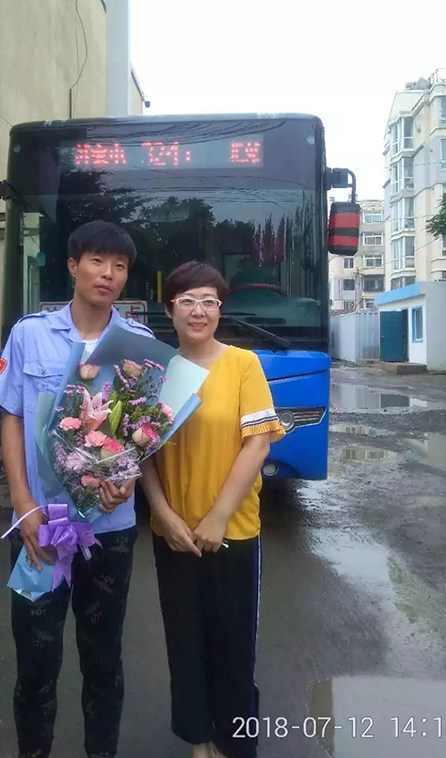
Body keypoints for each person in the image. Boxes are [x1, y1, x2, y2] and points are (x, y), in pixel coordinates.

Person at [0, 220, 153, 758]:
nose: (108, 274)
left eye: (119, 265)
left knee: (104, 659)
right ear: (73, 266)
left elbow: (145, 431)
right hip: (40, 528)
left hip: (110, 531)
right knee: (35, 665)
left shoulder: (140, 344)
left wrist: (126, 478)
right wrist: (22, 502)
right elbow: (11, 416)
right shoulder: (29, 334)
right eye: (97, 261)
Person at [141, 261, 285, 758]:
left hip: (232, 532)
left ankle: (233, 743)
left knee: (233, 647)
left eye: (208, 301)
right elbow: (141, 450)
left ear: (220, 309)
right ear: (170, 310)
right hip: (173, 534)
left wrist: (219, 516)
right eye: (187, 301)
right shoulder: (156, 371)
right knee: (184, 643)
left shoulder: (243, 364)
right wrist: (161, 513)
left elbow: (258, 443)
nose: (198, 311)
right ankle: (199, 740)